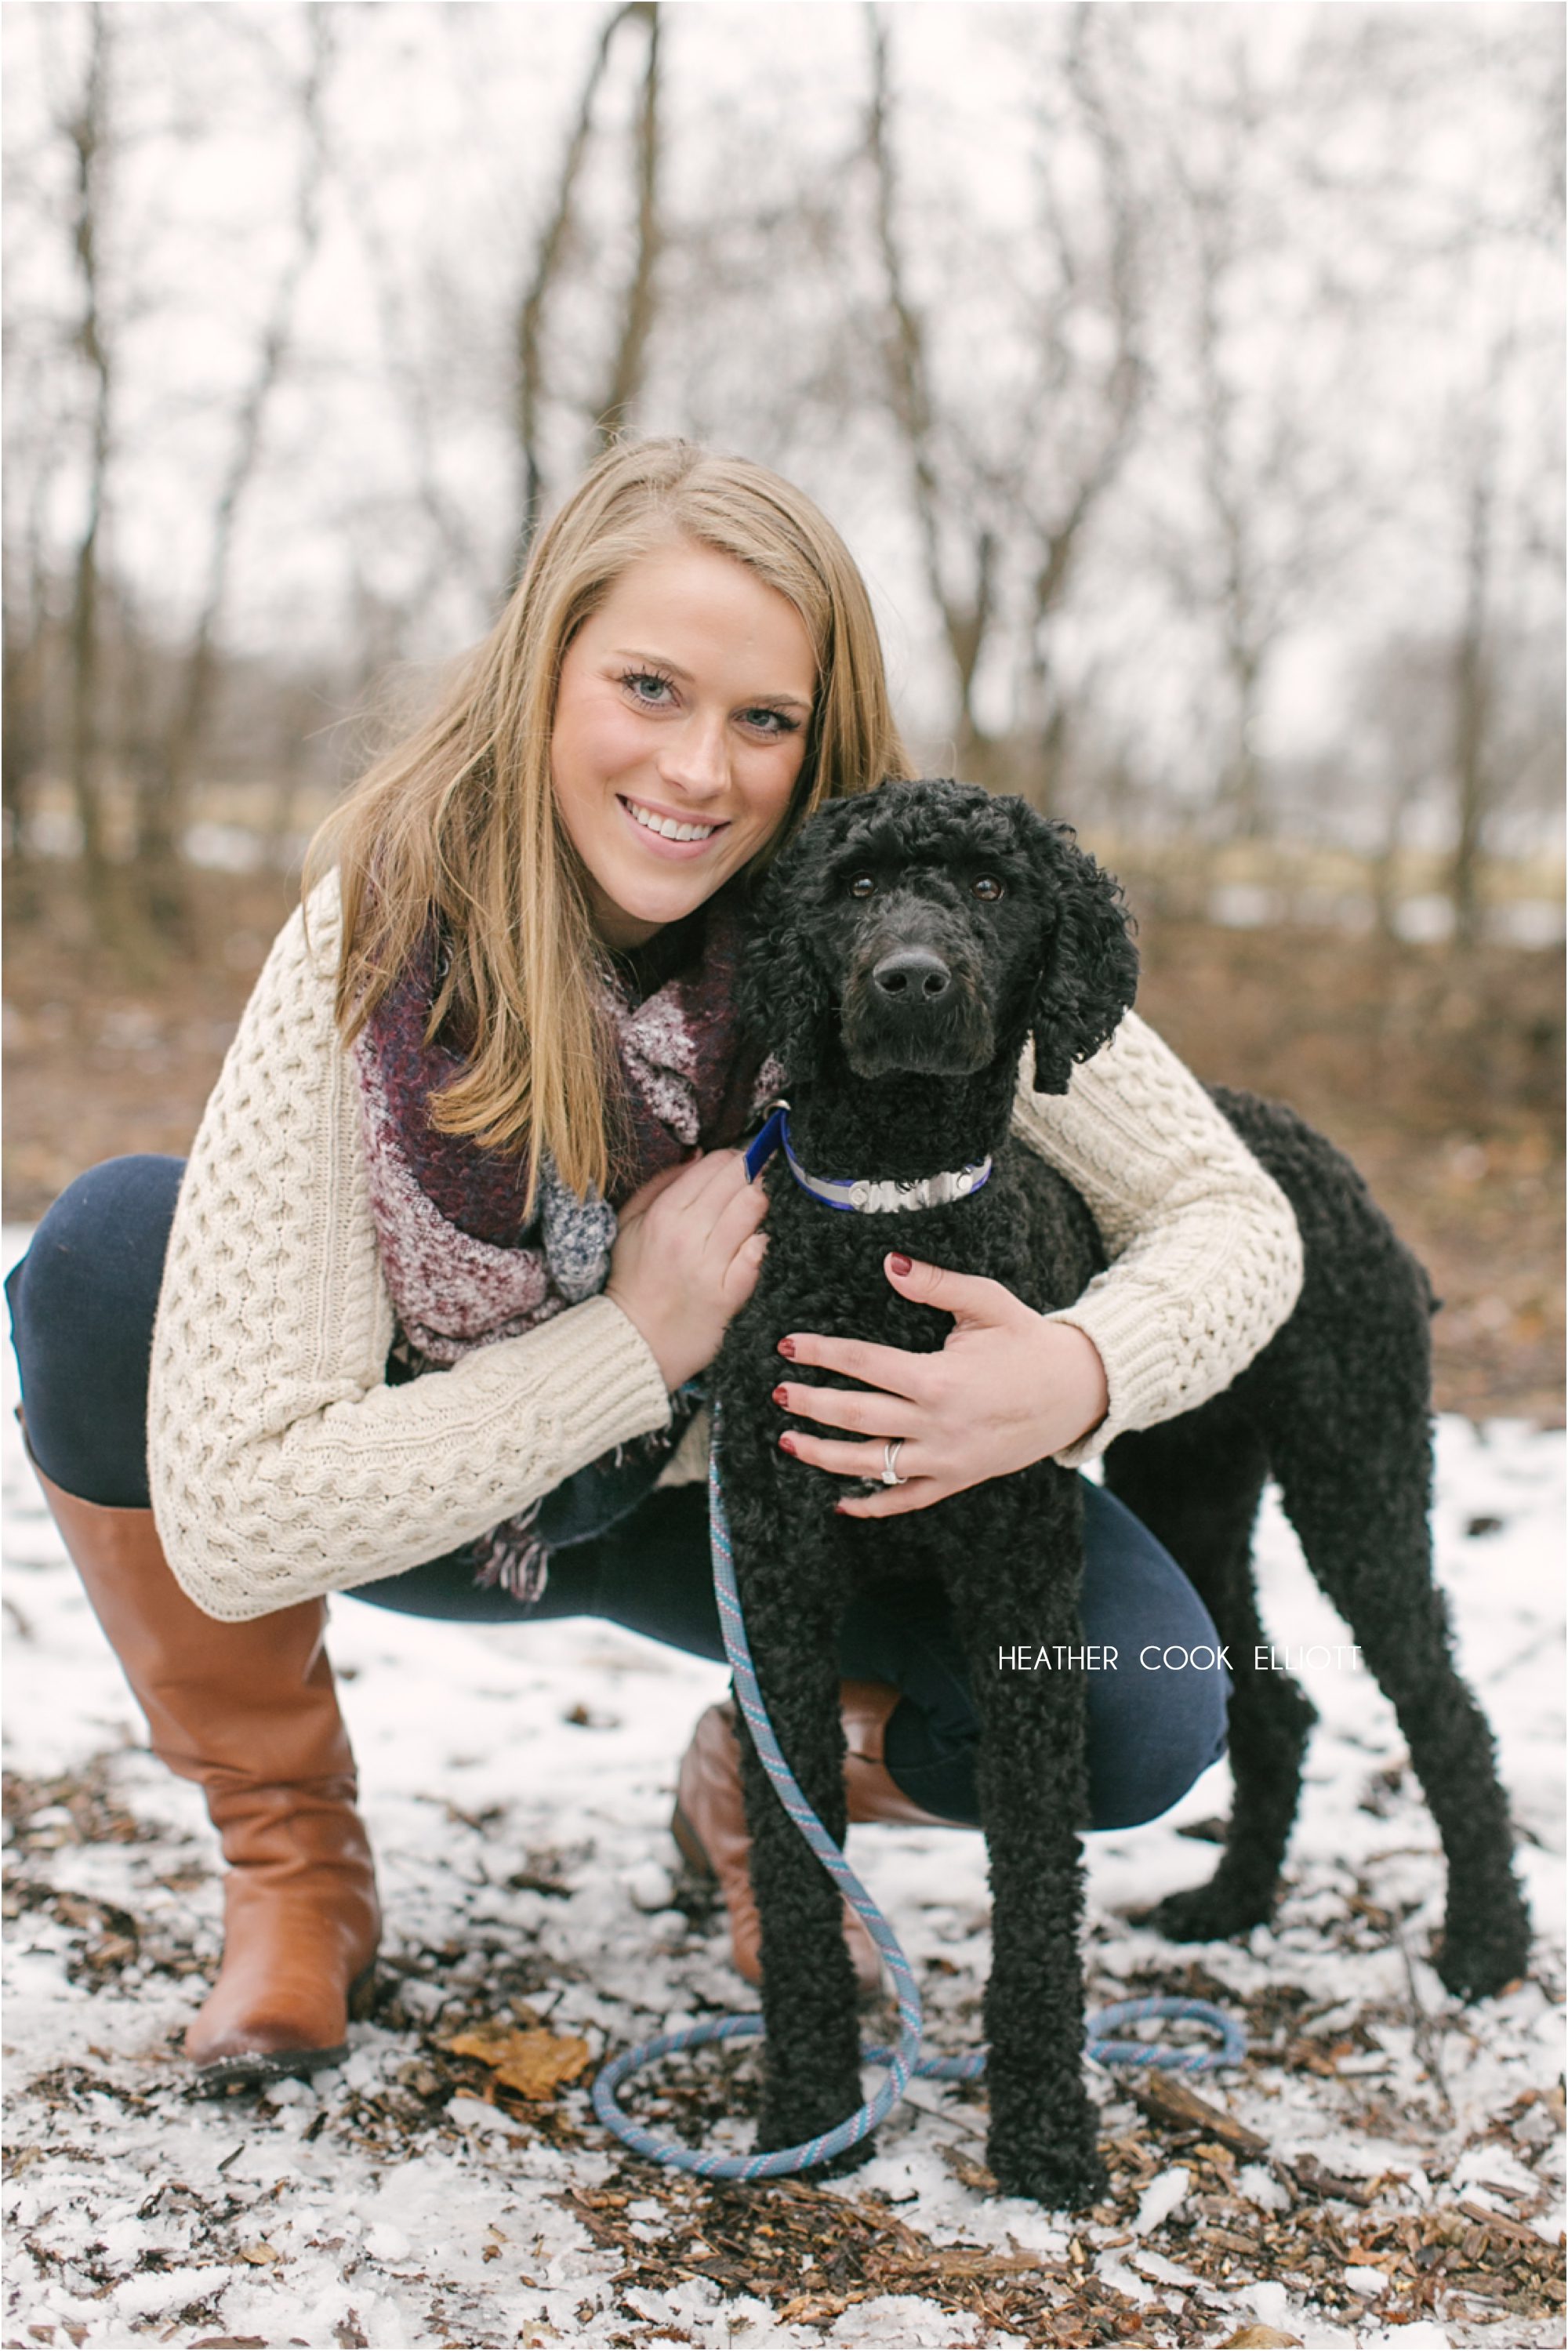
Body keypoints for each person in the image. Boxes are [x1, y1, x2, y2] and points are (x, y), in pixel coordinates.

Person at [7, 437, 1303, 2084]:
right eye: (647, 688)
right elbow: (248, 1516)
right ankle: (293, 1871)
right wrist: (631, 1343)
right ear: (545, 668)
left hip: (797, 1516)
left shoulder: (882, 906)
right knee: (117, 1251)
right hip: (453, 1502)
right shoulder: (384, 925)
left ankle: (776, 1778)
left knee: (1134, 1704)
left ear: (815, 740)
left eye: (762, 719)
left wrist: (1073, 1370)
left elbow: (1232, 1214)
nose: (698, 770)